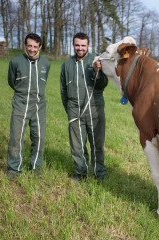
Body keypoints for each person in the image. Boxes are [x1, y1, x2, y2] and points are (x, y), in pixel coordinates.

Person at [60, 32, 108, 181]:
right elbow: (63, 91)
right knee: (77, 146)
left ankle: (99, 173)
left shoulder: (96, 62)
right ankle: (81, 172)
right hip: (74, 111)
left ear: (88, 46)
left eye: (83, 45)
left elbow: (103, 84)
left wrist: (96, 71)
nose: (80, 48)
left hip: (94, 109)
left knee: (97, 144)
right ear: (73, 45)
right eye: (77, 45)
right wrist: (69, 109)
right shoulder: (66, 65)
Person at [7, 33, 51, 179]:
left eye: (35, 46)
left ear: (40, 46)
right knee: (16, 137)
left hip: (39, 105)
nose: (32, 49)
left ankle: (35, 167)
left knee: (39, 138)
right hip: (21, 103)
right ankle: (14, 169)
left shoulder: (46, 63)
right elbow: (12, 81)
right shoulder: (15, 62)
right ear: (25, 45)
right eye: (29, 46)